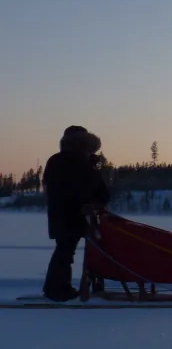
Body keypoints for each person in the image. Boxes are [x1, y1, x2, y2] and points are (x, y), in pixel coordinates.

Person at [41, 126, 110, 301]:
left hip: (65, 214)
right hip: (72, 214)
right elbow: (88, 189)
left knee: (65, 250)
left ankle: (55, 287)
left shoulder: (59, 161)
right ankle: (57, 290)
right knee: (65, 250)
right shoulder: (76, 163)